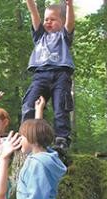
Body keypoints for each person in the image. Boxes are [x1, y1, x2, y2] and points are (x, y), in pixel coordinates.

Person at [21, 0, 75, 151]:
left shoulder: (63, 36)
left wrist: (69, 6)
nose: (48, 22)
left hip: (61, 75)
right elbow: (34, 13)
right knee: (29, 104)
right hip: (41, 75)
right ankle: (26, 135)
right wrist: (30, 2)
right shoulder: (39, 36)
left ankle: (61, 139)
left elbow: (70, 23)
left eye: (53, 19)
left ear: (61, 21)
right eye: (46, 19)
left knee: (60, 108)